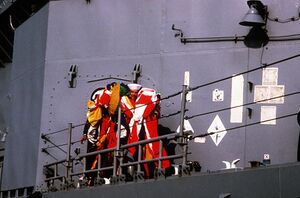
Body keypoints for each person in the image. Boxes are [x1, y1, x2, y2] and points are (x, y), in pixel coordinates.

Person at [120, 83, 170, 178]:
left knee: (152, 147)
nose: (133, 95)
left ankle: (163, 169)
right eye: (131, 93)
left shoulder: (144, 99)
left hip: (144, 133)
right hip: (136, 135)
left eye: (135, 93)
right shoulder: (127, 101)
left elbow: (138, 116)